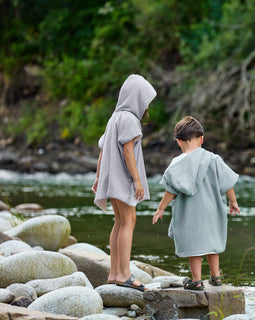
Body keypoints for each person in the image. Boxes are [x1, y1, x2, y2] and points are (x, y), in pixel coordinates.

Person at [152, 116, 240, 290]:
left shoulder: (177, 164)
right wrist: (233, 201)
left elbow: (170, 191)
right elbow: (227, 183)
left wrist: (160, 209)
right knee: (212, 244)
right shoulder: (213, 159)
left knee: (194, 247)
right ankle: (216, 277)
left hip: (189, 213)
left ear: (178, 141)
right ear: (201, 139)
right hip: (213, 210)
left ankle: (196, 280)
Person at [92, 74, 156, 292]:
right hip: (123, 178)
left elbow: (103, 151)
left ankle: (114, 273)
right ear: (137, 98)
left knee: (119, 222)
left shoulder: (114, 118)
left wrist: (99, 177)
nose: (146, 105)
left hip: (112, 177)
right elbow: (127, 150)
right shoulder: (129, 118)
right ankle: (125, 275)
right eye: (145, 100)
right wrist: (137, 180)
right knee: (128, 221)